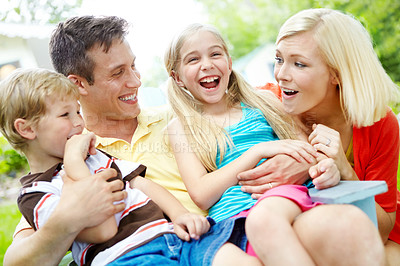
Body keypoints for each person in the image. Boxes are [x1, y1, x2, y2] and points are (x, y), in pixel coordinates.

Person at [2, 15, 384, 265]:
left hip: (232, 235)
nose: (136, 81)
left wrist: (300, 159)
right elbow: (22, 255)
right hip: (197, 244)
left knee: (348, 226)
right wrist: (67, 219)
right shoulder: (77, 155)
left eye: (134, 66)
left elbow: (292, 117)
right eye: (119, 73)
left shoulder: (181, 117)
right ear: (78, 84)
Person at [164, 22, 384, 265]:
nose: (207, 64)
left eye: (215, 54)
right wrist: (258, 151)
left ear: (229, 62)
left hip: (283, 197)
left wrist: (326, 170)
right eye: (193, 60)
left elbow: (306, 151)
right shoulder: (181, 127)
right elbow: (202, 194)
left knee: (272, 219)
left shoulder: (263, 101)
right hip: (233, 221)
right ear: (178, 78)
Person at [1, 68, 260, 266]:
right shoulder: (37, 193)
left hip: (170, 236)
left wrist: (180, 215)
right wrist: (73, 164)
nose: (79, 123)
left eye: (76, 112)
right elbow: (104, 230)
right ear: (26, 129)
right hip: (127, 255)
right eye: (65, 115)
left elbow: (141, 183)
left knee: (234, 257)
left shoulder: (97, 157)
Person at [259, 8, 400, 265]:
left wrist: (344, 170)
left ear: (336, 73)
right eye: (279, 60)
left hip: (361, 231)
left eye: (299, 63)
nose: (281, 74)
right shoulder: (263, 105)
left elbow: (381, 231)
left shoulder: (380, 124)